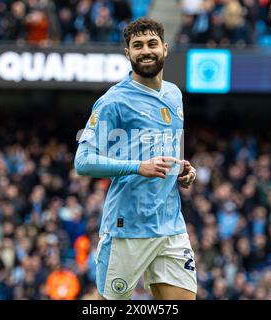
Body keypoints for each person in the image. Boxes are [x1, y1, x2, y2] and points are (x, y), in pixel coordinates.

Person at [74, 17, 197, 300]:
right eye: (137, 45)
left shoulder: (174, 95)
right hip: (126, 228)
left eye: (152, 44)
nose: (146, 51)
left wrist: (182, 169)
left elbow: (166, 151)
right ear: (128, 53)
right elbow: (83, 161)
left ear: (165, 49)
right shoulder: (113, 101)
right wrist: (138, 167)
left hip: (170, 226)